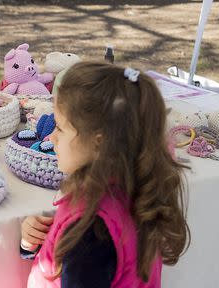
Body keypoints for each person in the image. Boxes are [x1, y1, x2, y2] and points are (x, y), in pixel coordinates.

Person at [20, 62, 190, 287]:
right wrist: (33, 241)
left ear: (99, 144)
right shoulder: (127, 194)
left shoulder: (92, 233)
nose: (51, 137)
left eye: (60, 128)